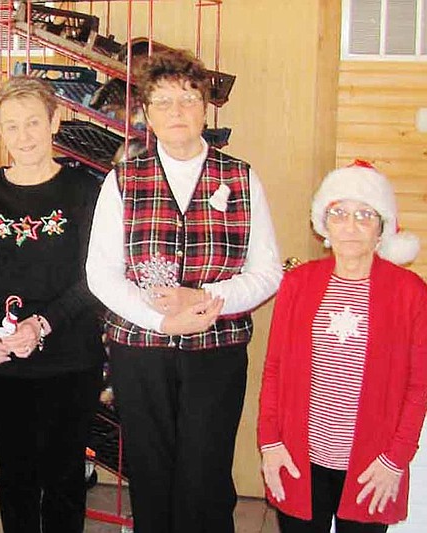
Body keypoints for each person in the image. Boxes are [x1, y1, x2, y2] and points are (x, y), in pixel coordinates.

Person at [86, 47, 282, 533]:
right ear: (147, 114)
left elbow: (268, 272)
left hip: (215, 352)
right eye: (164, 102)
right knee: (151, 474)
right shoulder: (122, 180)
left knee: (206, 474)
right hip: (140, 352)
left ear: (205, 107)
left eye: (188, 99)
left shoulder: (241, 177)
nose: (177, 112)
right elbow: (101, 273)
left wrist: (204, 299)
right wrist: (161, 320)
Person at [0, 76, 105, 533]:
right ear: (0, 132)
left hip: (70, 359)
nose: (24, 136)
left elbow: (94, 279)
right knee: (14, 478)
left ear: (55, 122)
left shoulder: (83, 191)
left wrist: (42, 323)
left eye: (34, 122)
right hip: (2, 362)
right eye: (12, 126)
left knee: (63, 480)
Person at [258, 161, 426, 533]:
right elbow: (275, 369)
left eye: (365, 214)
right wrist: (270, 443)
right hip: (300, 458)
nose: (350, 225)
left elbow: (418, 386)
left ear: (382, 228)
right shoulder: (299, 283)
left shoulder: (409, 292)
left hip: (372, 465)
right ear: (325, 224)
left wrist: (396, 460)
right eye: (340, 213)